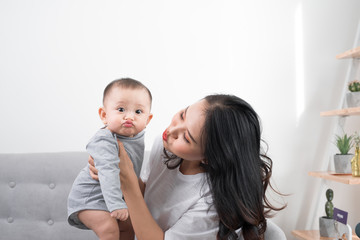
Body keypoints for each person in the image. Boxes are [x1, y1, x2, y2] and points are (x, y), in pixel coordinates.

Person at [89, 94, 286, 240]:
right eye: (183, 115)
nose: (172, 130)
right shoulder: (165, 146)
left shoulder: (213, 205)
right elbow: (149, 197)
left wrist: (128, 183)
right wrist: (118, 173)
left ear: (209, 158)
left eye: (187, 137)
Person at [68, 78, 153, 240]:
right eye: (121, 109)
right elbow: (108, 171)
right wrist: (116, 204)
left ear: (148, 119)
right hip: (90, 198)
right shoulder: (104, 140)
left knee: (128, 226)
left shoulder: (137, 136)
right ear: (104, 115)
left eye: (138, 112)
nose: (129, 117)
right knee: (109, 229)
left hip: (114, 197)